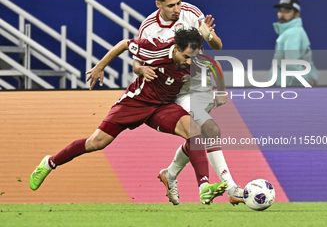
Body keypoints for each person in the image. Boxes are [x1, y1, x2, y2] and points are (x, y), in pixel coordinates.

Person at [29, 28, 227, 205]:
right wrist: (101, 66)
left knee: (194, 131)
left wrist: (220, 92)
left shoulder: (195, 59)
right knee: (96, 143)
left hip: (163, 106)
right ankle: (49, 163)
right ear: (175, 48)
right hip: (136, 102)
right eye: (185, 57)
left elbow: (215, 67)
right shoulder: (155, 48)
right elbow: (124, 44)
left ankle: (203, 188)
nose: (189, 62)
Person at [134, 0, 244, 206]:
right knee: (210, 128)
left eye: (179, 2)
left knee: (201, 134)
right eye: (171, 5)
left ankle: (170, 174)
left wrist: (209, 36)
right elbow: (137, 64)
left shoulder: (192, 13)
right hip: (173, 89)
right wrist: (141, 69)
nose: (177, 9)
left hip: (199, 84)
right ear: (158, 4)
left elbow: (218, 47)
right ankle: (231, 187)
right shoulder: (148, 28)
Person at [269, 0, 318, 87]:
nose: (282, 15)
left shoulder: (292, 33)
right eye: (280, 11)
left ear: (296, 15)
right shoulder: (291, 32)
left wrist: (307, 80)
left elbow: (291, 64)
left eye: (287, 12)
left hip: (292, 86)